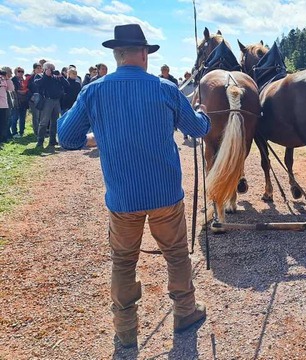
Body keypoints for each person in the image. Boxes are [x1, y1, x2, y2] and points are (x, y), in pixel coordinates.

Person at [57, 23, 210, 349]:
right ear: (143, 54)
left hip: (123, 198)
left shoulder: (93, 91)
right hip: (165, 194)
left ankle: (125, 330)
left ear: (117, 54)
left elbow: (67, 138)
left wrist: (95, 135)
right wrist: (202, 112)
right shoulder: (165, 89)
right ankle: (185, 311)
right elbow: (196, 129)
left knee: (123, 262)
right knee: (177, 255)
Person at [35, 63, 69, 148]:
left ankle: (52, 140)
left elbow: (67, 85)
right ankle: (40, 141)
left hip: (56, 101)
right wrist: (46, 76)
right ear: (45, 69)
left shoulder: (56, 77)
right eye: (49, 68)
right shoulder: (40, 76)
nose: (51, 70)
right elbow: (38, 84)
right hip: (47, 100)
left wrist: (61, 77)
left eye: (52, 68)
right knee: (44, 122)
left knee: (55, 122)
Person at [10, 67, 28, 138]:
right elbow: (16, 91)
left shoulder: (23, 80)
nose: (21, 73)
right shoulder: (13, 80)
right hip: (16, 102)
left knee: (22, 118)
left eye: (22, 71)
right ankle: (14, 132)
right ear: (15, 72)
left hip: (23, 102)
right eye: (19, 71)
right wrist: (25, 91)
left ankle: (21, 132)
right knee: (15, 118)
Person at [27, 62, 43, 135]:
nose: (39, 70)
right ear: (34, 69)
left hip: (42, 99)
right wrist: (31, 97)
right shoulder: (31, 78)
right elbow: (28, 88)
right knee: (36, 116)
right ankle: (36, 132)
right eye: (38, 68)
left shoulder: (43, 77)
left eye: (40, 68)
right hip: (33, 99)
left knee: (41, 116)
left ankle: (41, 131)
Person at [0, 67, 15, 144]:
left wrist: (7, 79)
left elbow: (11, 89)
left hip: (4, 105)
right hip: (2, 104)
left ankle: (3, 138)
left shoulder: (4, 80)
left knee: (4, 123)